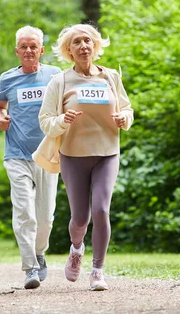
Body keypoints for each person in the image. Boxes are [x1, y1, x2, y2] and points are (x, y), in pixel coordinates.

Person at [38, 24, 133, 291]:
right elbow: (45, 120)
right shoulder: (61, 81)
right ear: (69, 50)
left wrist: (123, 118)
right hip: (73, 154)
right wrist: (62, 120)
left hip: (107, 153)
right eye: (77, 42)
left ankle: (98, 270)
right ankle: (76, 249)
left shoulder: (111, 77)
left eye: (88, 41)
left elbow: (127, 109)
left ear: (95, 46)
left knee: (102, 209)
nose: (83, 46)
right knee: (80, 218)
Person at [0, 26, 61, 289]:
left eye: (34, 46)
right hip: (16, 154)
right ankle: (30, 266)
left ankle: (40, 252)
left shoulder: (55, 75)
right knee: (24, 212)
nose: (29, 50)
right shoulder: (7, 79)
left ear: (41, 50)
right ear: (17, 51)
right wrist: (1, 118)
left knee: (46, 216)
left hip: (47, 153)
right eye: (24, 46)